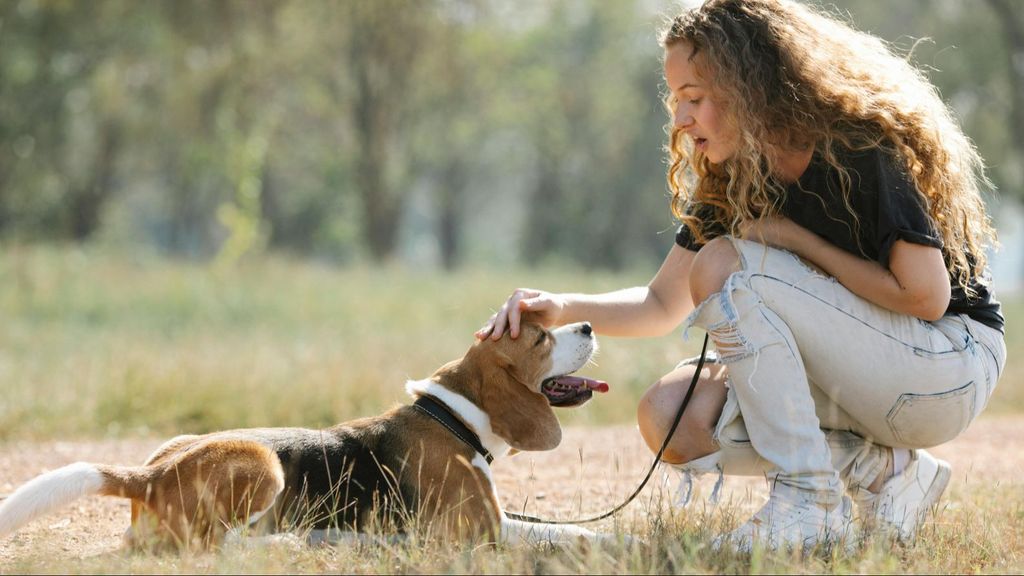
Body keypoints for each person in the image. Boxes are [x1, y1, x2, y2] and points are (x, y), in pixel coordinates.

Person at [475, 0, 1006, 553]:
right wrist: (561, 306)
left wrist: (794, 239)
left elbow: (924, 295)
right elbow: (659, 304)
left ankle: (808, 504)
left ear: (749, 87)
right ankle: (887, 474)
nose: (680, 120)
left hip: (946, 369)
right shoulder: (734, 176)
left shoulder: (857, 146)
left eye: (694, 99)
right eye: (676, 101)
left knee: (725, 263)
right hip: (871, 379)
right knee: (671, 416)